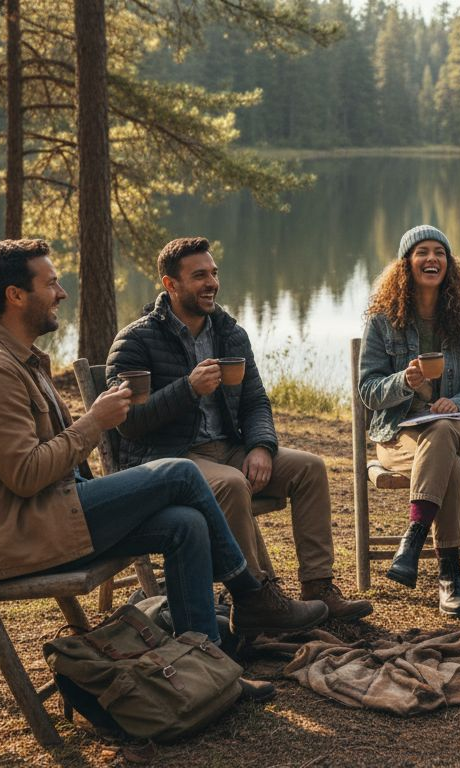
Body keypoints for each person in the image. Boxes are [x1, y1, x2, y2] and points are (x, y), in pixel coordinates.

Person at [0, 239, 328, 659]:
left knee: (185, 523)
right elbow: (26, 474)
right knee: (180, 472)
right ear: (15, 295)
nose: (62, 293)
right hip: (28, 534)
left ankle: (207, 657)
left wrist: (261, 445)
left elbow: (255, 400)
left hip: (56, 510)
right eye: (51, 283)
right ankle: (250, 596)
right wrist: (94, 422)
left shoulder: (17, 358)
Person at [106, 236, 371, 622]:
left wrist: (261, 446)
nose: (211, 282)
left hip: (229, 448)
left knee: (309, 467)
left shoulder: (229, 333)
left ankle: (319, 586)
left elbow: (255, 402)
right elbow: (127, 425)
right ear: (170, 284)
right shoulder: (137, 340)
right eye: (199, 276)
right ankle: (257, 600)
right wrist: (187, 389)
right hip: (168, 459)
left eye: (213, 273)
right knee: (231, 483)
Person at [357, 225, 460, 618]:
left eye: (439, 252)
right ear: (406, 264)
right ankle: (450, 576)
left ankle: (414, 538)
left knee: (442, 430)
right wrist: (405, 381)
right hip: (398, 437)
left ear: (449, 264)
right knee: (447, 463)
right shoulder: (383, 321)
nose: (431, 258)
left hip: (459, 428)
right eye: (422, 252)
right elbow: (367, 390)